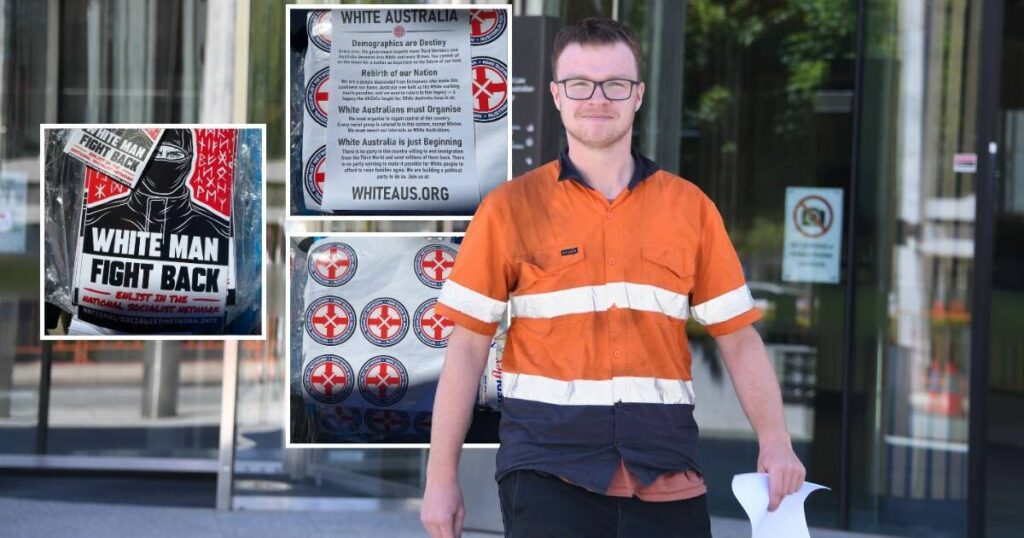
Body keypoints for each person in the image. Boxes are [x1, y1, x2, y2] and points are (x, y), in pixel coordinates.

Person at [421, 17, 805, 538]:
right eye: (579, 84)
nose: (596, 98)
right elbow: (467, 349)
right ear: (557, 95)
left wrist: (777, 440)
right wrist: (440, 478)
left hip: (669, 472)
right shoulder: (509, 210)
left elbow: (738, 339)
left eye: (615, 84)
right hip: (548, 473)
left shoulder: (690, 208)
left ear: (638, 94)